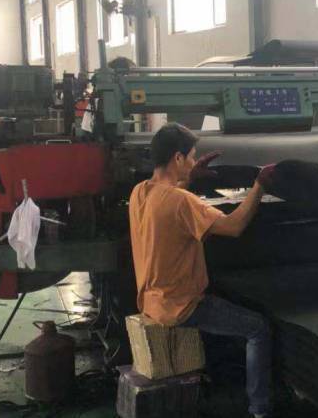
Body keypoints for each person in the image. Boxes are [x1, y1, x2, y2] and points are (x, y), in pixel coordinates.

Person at [129, 122, 274, 418]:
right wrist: (260, 185)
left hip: (151, 300)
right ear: (178, 158)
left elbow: (169, 209)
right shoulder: (182, 201)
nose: (194, 161)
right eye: (192, 157)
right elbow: (234, 226)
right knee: (257, 328)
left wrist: (189, 178)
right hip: (181, 305)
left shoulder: (140, 192)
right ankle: (260, 409)